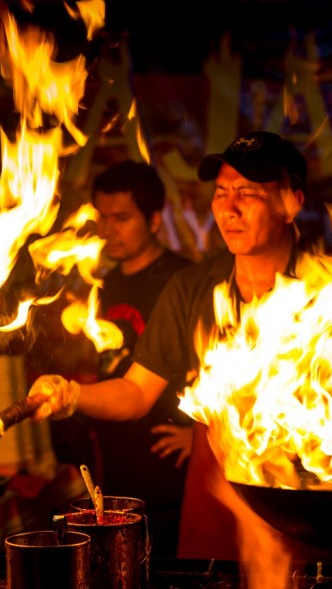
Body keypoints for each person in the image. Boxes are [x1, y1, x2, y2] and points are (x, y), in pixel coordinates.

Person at [27, 131, 332, 561]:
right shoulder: (192, 288)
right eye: (221, 193)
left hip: (304, 506)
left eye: (247, 193)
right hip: (214, 505)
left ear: (291, 202)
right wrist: (72, 394)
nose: (229, 209)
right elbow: (136, 392)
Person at [81, 159, 194, 557]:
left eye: (122, 218)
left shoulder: (184, 283)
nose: (109, 229)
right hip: (119, 464)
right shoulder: (107, 282)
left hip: (171, 471)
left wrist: (202, 438)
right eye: (103, 217)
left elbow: (222, 367)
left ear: (155, 220)